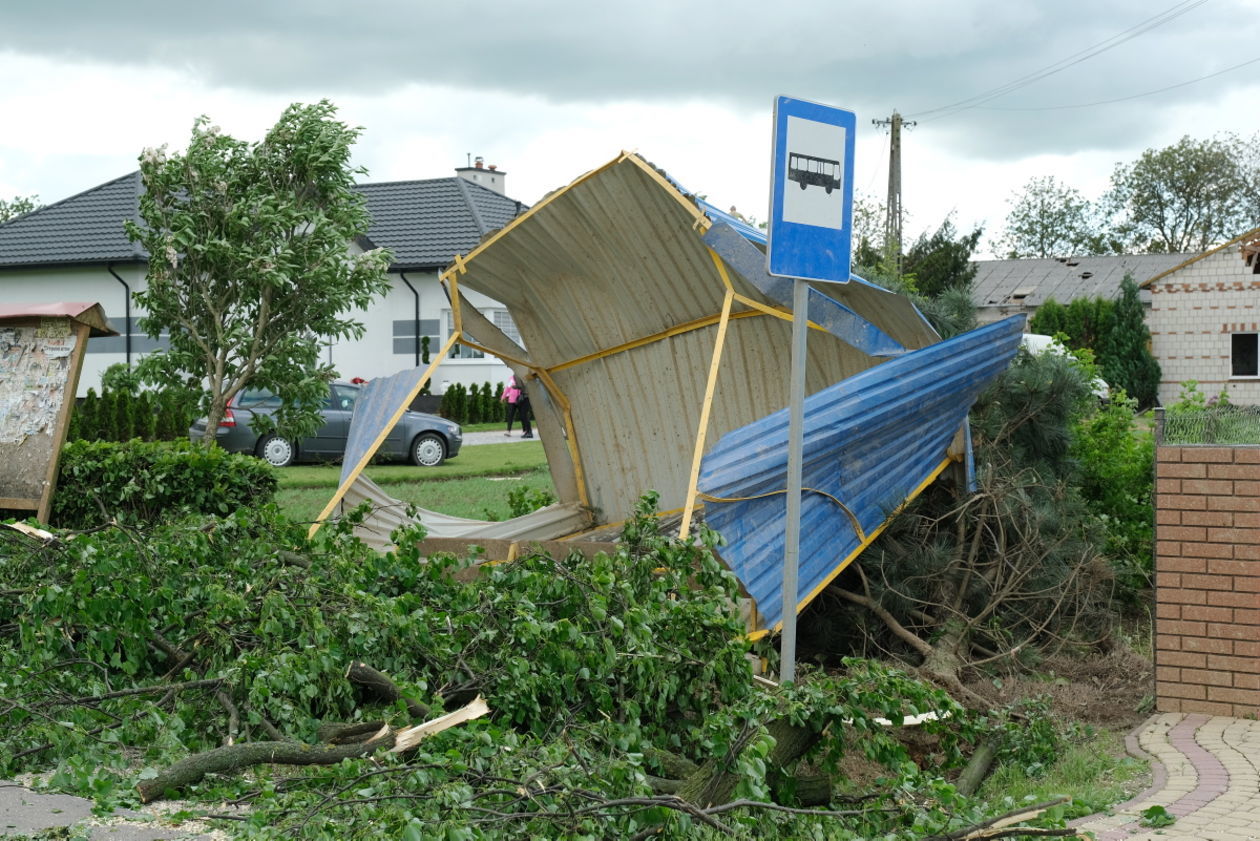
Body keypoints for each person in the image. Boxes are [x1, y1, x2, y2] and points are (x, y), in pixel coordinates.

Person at [501, 374, 533, 438]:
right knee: (510, 415)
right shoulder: (511, 378)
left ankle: (525, 430)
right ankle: (508, 431)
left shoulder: (523, 378)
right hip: (512, 400)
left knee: (522, 415)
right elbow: (508, 388)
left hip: (521, 399)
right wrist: (503, 396)